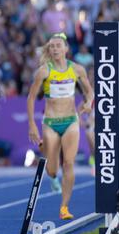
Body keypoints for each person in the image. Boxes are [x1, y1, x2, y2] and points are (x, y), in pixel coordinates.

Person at [27, 33, 93, 220]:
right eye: (52, 46)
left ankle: (64, 207)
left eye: (58, 45)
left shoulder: (77, 69)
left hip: (71, 121)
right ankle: (47, 155)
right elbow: (31, 97)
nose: (55, 49)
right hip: (50, 123)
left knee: (69, 163)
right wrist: (32, 124)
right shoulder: (44, 71)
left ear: (65, 49)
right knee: (53, 170)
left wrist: (89, 102)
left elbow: (90, 91)